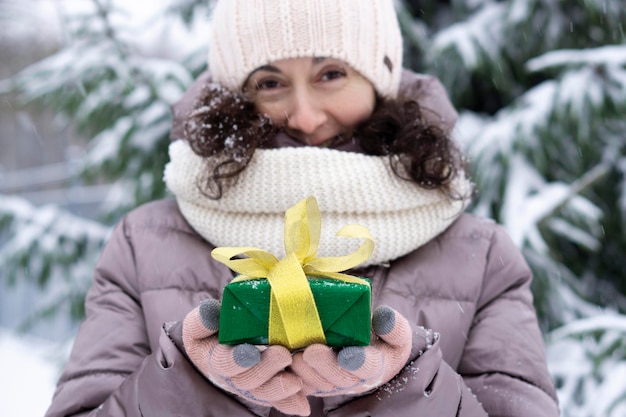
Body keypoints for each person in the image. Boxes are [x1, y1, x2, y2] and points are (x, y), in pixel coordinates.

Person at [45, 1, 560, 416]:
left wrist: (406, 386)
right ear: (233, 96)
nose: (306, 116)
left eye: (331, 73)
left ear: (378, 78)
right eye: (270, 83)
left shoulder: (483, 256)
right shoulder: (144, 243)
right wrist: (187, 381)